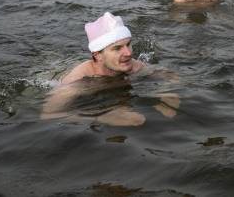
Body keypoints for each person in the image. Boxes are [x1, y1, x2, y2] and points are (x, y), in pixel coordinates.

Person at [41, 12, 179, 126]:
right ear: (98, 55)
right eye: (117, 48)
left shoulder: (133, 65)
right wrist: (99, 117)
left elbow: (170, 76)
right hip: (53, 77)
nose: (129, 53)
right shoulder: (77, 81)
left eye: (128, 44)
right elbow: (48, 115)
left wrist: (165, 94)